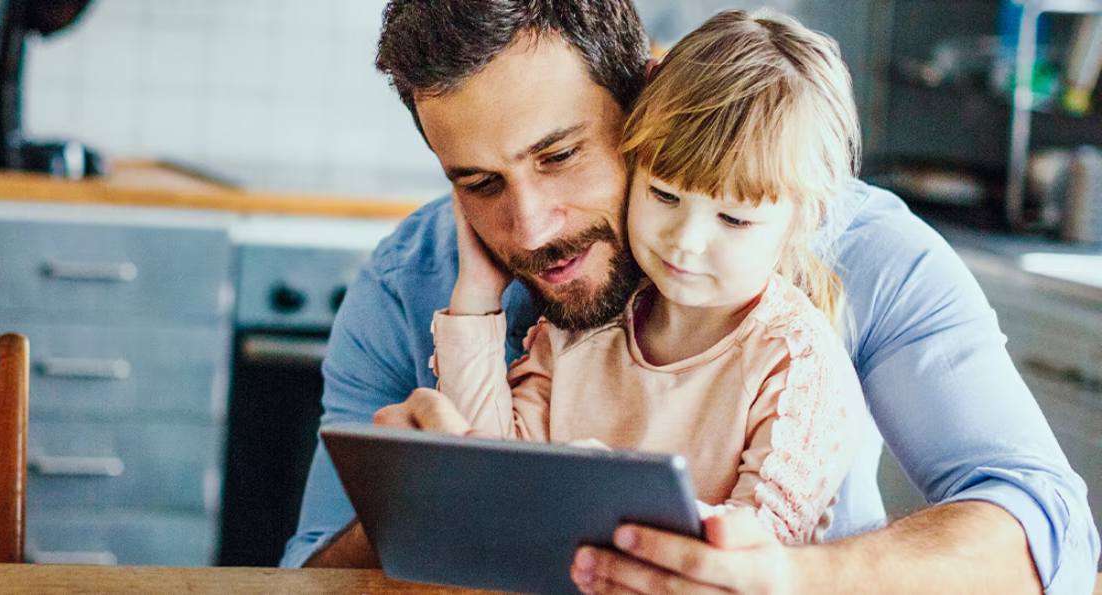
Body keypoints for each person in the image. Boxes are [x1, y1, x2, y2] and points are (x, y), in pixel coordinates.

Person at [281, 1, 1100, 593]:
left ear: (645, 96)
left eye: (560, 154)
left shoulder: (861, 253)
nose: (529, 226)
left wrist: (793, 578)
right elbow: (303, 577)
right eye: (479, 180)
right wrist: (407, 501)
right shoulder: (407, 283)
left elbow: (1044, 525)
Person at [430, 8, 863, 547]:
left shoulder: (798, 367)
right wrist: (475, 295)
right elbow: (485, 485)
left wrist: (602, 489)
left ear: (803, 221)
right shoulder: (578, 329)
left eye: (733, 218)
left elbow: (754, 557)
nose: (686, 240)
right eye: (664, 196)